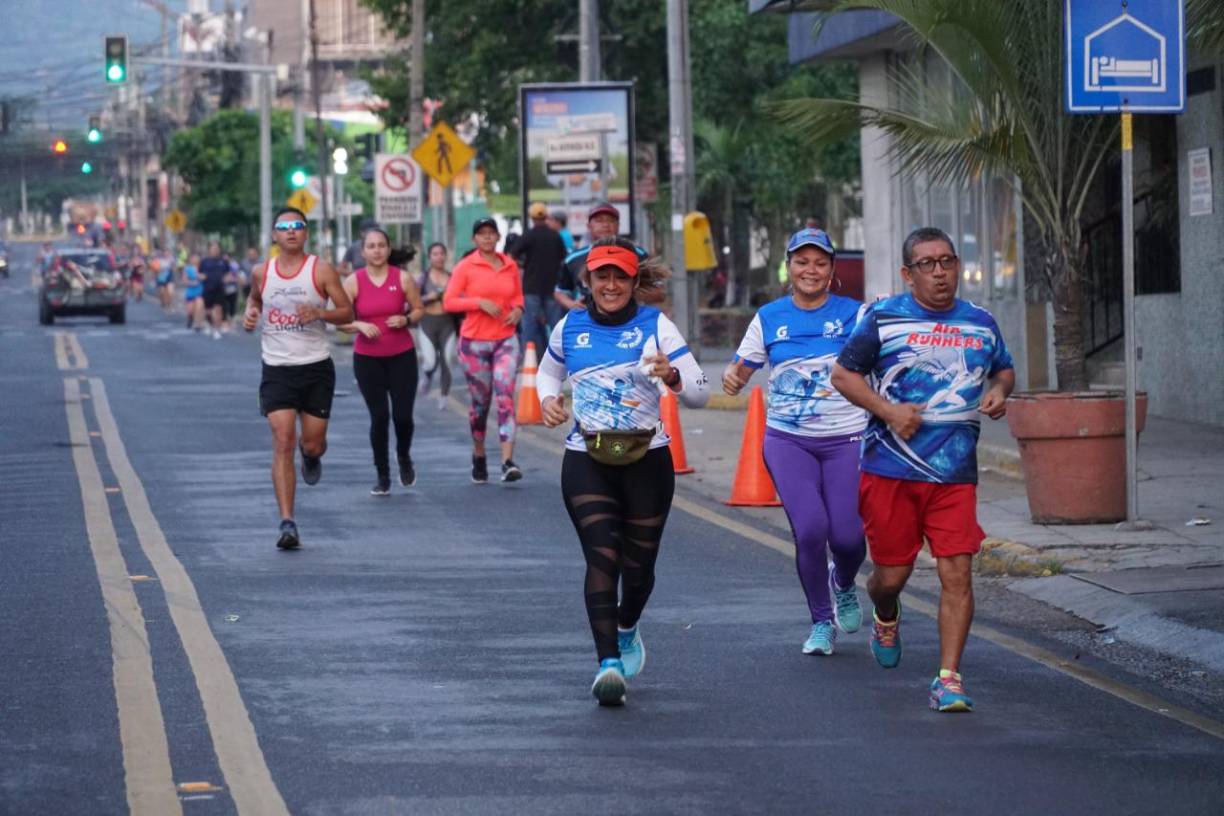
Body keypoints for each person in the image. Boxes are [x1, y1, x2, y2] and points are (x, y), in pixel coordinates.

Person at [830, 226, 1015, 713]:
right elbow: (843, 375)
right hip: (890, 472)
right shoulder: (882, 318)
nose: (940, 272)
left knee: (958, 574)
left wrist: (999, 391)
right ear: (908, 274)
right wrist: (889, 412)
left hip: (954, 476)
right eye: (927, 264)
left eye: (947, 261)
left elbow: (1003, 367)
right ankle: (885, 611)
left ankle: (948, 678)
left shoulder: (981, 322)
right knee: (891, 577)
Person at [537, 237, 711, 706]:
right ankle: (608, 663)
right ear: (588, 281)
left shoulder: (656, 326)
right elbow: (548, 373)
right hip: (586, 456)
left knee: (638, 569)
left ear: (634, 282)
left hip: (647, 459)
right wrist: (548, 400)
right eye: (602, 276)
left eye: (620, 276)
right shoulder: (570, 327)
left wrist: (671, 376)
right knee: (603, 557)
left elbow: (700, 393)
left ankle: (628, 624)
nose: (610, 285)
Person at [723, 228, 868, 656]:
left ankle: (843, 582)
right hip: (789, 441)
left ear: (831, 269)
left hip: (847, 437)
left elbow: (882, 360)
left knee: (848, 538)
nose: (811, 270)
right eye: (802, 262)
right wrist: (732, 377)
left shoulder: (855, 314)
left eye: (820, 263)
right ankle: (821, 622)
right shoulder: (769, 317)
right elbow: (740, 368)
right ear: (789, 267)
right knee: (810, 530)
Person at [243, 208, 354, 550]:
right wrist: (251, 314)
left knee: (312, 443)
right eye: (284, 227)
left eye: (297, 226)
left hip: (315, 367)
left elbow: (347, 312)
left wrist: (320, 312)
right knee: (282, 441)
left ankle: (312, 455)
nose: (291, 231)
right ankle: (287, 522)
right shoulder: (261, 272)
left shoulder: (320, 270)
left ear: (306, 233)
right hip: (277, 368)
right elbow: (255, 299)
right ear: (274, 234)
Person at [338, 228, 425, 495]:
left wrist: (406, 319)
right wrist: (359, 325)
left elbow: (419, 309)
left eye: (381, 245)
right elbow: (339, 320)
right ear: (363, 252)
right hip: (368, 359)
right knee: (379, 417)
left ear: (388, 249)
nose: (376, 251)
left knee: (403, 417)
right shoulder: (353, 281)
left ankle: (404, 456)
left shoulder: (403, 278)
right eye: (371, 246)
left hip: (402, 356)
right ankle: (382, 474)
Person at [443, 217, 525, 484]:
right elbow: (449, 302)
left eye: (491, 233)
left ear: (498, 237)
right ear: (474, 239)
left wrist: (518, 310)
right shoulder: (465, 267)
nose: (487, 237)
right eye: (482, 234)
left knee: (505, 397)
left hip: (506, 339)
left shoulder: (509, 265)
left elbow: (518, 296)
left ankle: (507, 461)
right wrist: (478, 302)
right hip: (474, 343)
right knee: (480, 404)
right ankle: (479, 453)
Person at [554, 202, 646, 312]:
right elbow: (560, 291)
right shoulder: (573, 259)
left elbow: (659, 291)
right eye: (599, 220)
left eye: (611, 220)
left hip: (631, 318)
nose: (605, 225)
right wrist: (571, 304)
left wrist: (626, 293)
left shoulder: (638, 255)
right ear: (589, 226)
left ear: (618, 225)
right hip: (587, 317)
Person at [512, 201, 568, 355]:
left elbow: (512, 255)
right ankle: (561, 357)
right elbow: (563, 258)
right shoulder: (555, 235)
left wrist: (524, 264)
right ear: (546, 216)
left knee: (529, 326)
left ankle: (527, 359)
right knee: (555, 326)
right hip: (551, 287)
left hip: (531, 287)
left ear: (531, 217)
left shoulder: (528, 235)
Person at [417, 242, 456, 410]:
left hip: (447, 323)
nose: (439, 257)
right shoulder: (423, 278)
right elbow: (412, 300)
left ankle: (444, 395)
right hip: (428, 322)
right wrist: (428, 297)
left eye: (441, 254)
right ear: (429, 257)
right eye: (435, 254)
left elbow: (461, 296)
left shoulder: (453, 277)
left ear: (445, 256)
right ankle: (427, 375)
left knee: (447, 361)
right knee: (430, 362)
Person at [199, 242, 230, 339]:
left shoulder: (223, 261)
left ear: (219, 250)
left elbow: (228, 273)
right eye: (213, 248)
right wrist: (201, 277)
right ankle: (209, 324)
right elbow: (199, 273)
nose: (215, 250)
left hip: (219, 288)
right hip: (208, 289)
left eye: (217, 248)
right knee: (208, 311)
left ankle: (216, 330)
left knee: (218, 310)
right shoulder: (204, 261)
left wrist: (227, 278)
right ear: (209, 250)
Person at [182, 253, 204, 331]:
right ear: (191, 260)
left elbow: (204, 277)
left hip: (200, 290)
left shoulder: (202, 268)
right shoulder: (187, 268)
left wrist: (199, 275)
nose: (195, 260)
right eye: (193, 258)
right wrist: (190, 283)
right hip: (190, 291)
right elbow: (185, 280)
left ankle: (198, 324)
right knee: (190, 310)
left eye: (197, 258)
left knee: (199, 307)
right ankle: (190, 318)